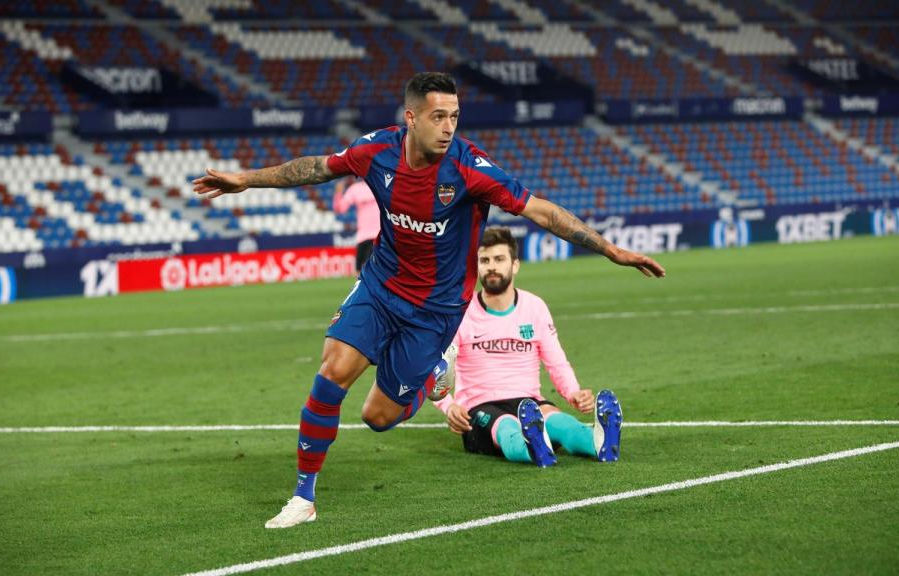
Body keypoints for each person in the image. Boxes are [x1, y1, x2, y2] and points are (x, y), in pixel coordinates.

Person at [192, 72, 665, 529]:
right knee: (331, 372)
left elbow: (541, 210)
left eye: (454, 117)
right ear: (411, 118)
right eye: (438, 116)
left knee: (377, 418)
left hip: (434, 312)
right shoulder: (376, 150)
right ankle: (303, 496)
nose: (448, 127)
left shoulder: (468, 168)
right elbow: (316, 168)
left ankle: (431, 379)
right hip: (380, 285)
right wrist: (246, 179)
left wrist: (609, 249)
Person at [433, 227, 622, 467]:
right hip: (479, 406)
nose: (491, 266)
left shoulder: (535, 307)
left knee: (560, 422)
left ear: (515, 265)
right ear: (476, 266)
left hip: (528, 403)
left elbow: (556, 360)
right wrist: (449, 407)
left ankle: (598, 443)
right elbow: (436, 368)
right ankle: (533, 449)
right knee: (507, 427)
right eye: (484, 260)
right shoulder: (460, 312)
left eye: (499, 259)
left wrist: (573, 392)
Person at [333, 176, 379, 271]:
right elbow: (340, 208)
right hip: (363, 236)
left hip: (379, 236)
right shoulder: (355, 189)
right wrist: (338, 193)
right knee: (360, 270)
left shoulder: (379, 183)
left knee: (372, 270)